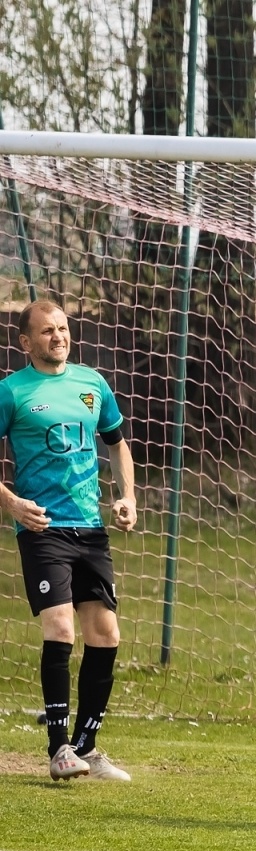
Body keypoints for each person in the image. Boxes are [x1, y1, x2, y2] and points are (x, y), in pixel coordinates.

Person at [0, 299, 136, 782]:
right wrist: (12, 503)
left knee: (106, 634)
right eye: (46, 331)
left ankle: (87, 747)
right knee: (60, 627)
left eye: (63, 329)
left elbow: (116, 442)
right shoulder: (11, 392)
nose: (58, 337)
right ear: (26, 342)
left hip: (90, 529)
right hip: (42, 529)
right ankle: (59, 749)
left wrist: (126, 498)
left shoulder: (92, 384)